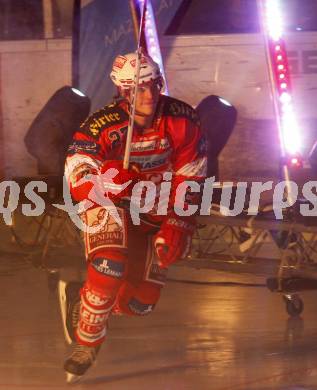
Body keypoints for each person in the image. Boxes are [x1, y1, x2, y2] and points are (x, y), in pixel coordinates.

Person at [63, 50, 207, 382]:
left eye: (154, 85)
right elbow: (77, 172)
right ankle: (87, 341)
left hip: (155, 205)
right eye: (139, 89)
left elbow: (192, 173)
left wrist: (178, 222)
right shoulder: (102, 124)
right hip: (107, 204)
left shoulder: (183, 118)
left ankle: (83, 297)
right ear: (123, 92)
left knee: (140, 303)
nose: (150, 96)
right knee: (109, 265)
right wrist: (108, 181)